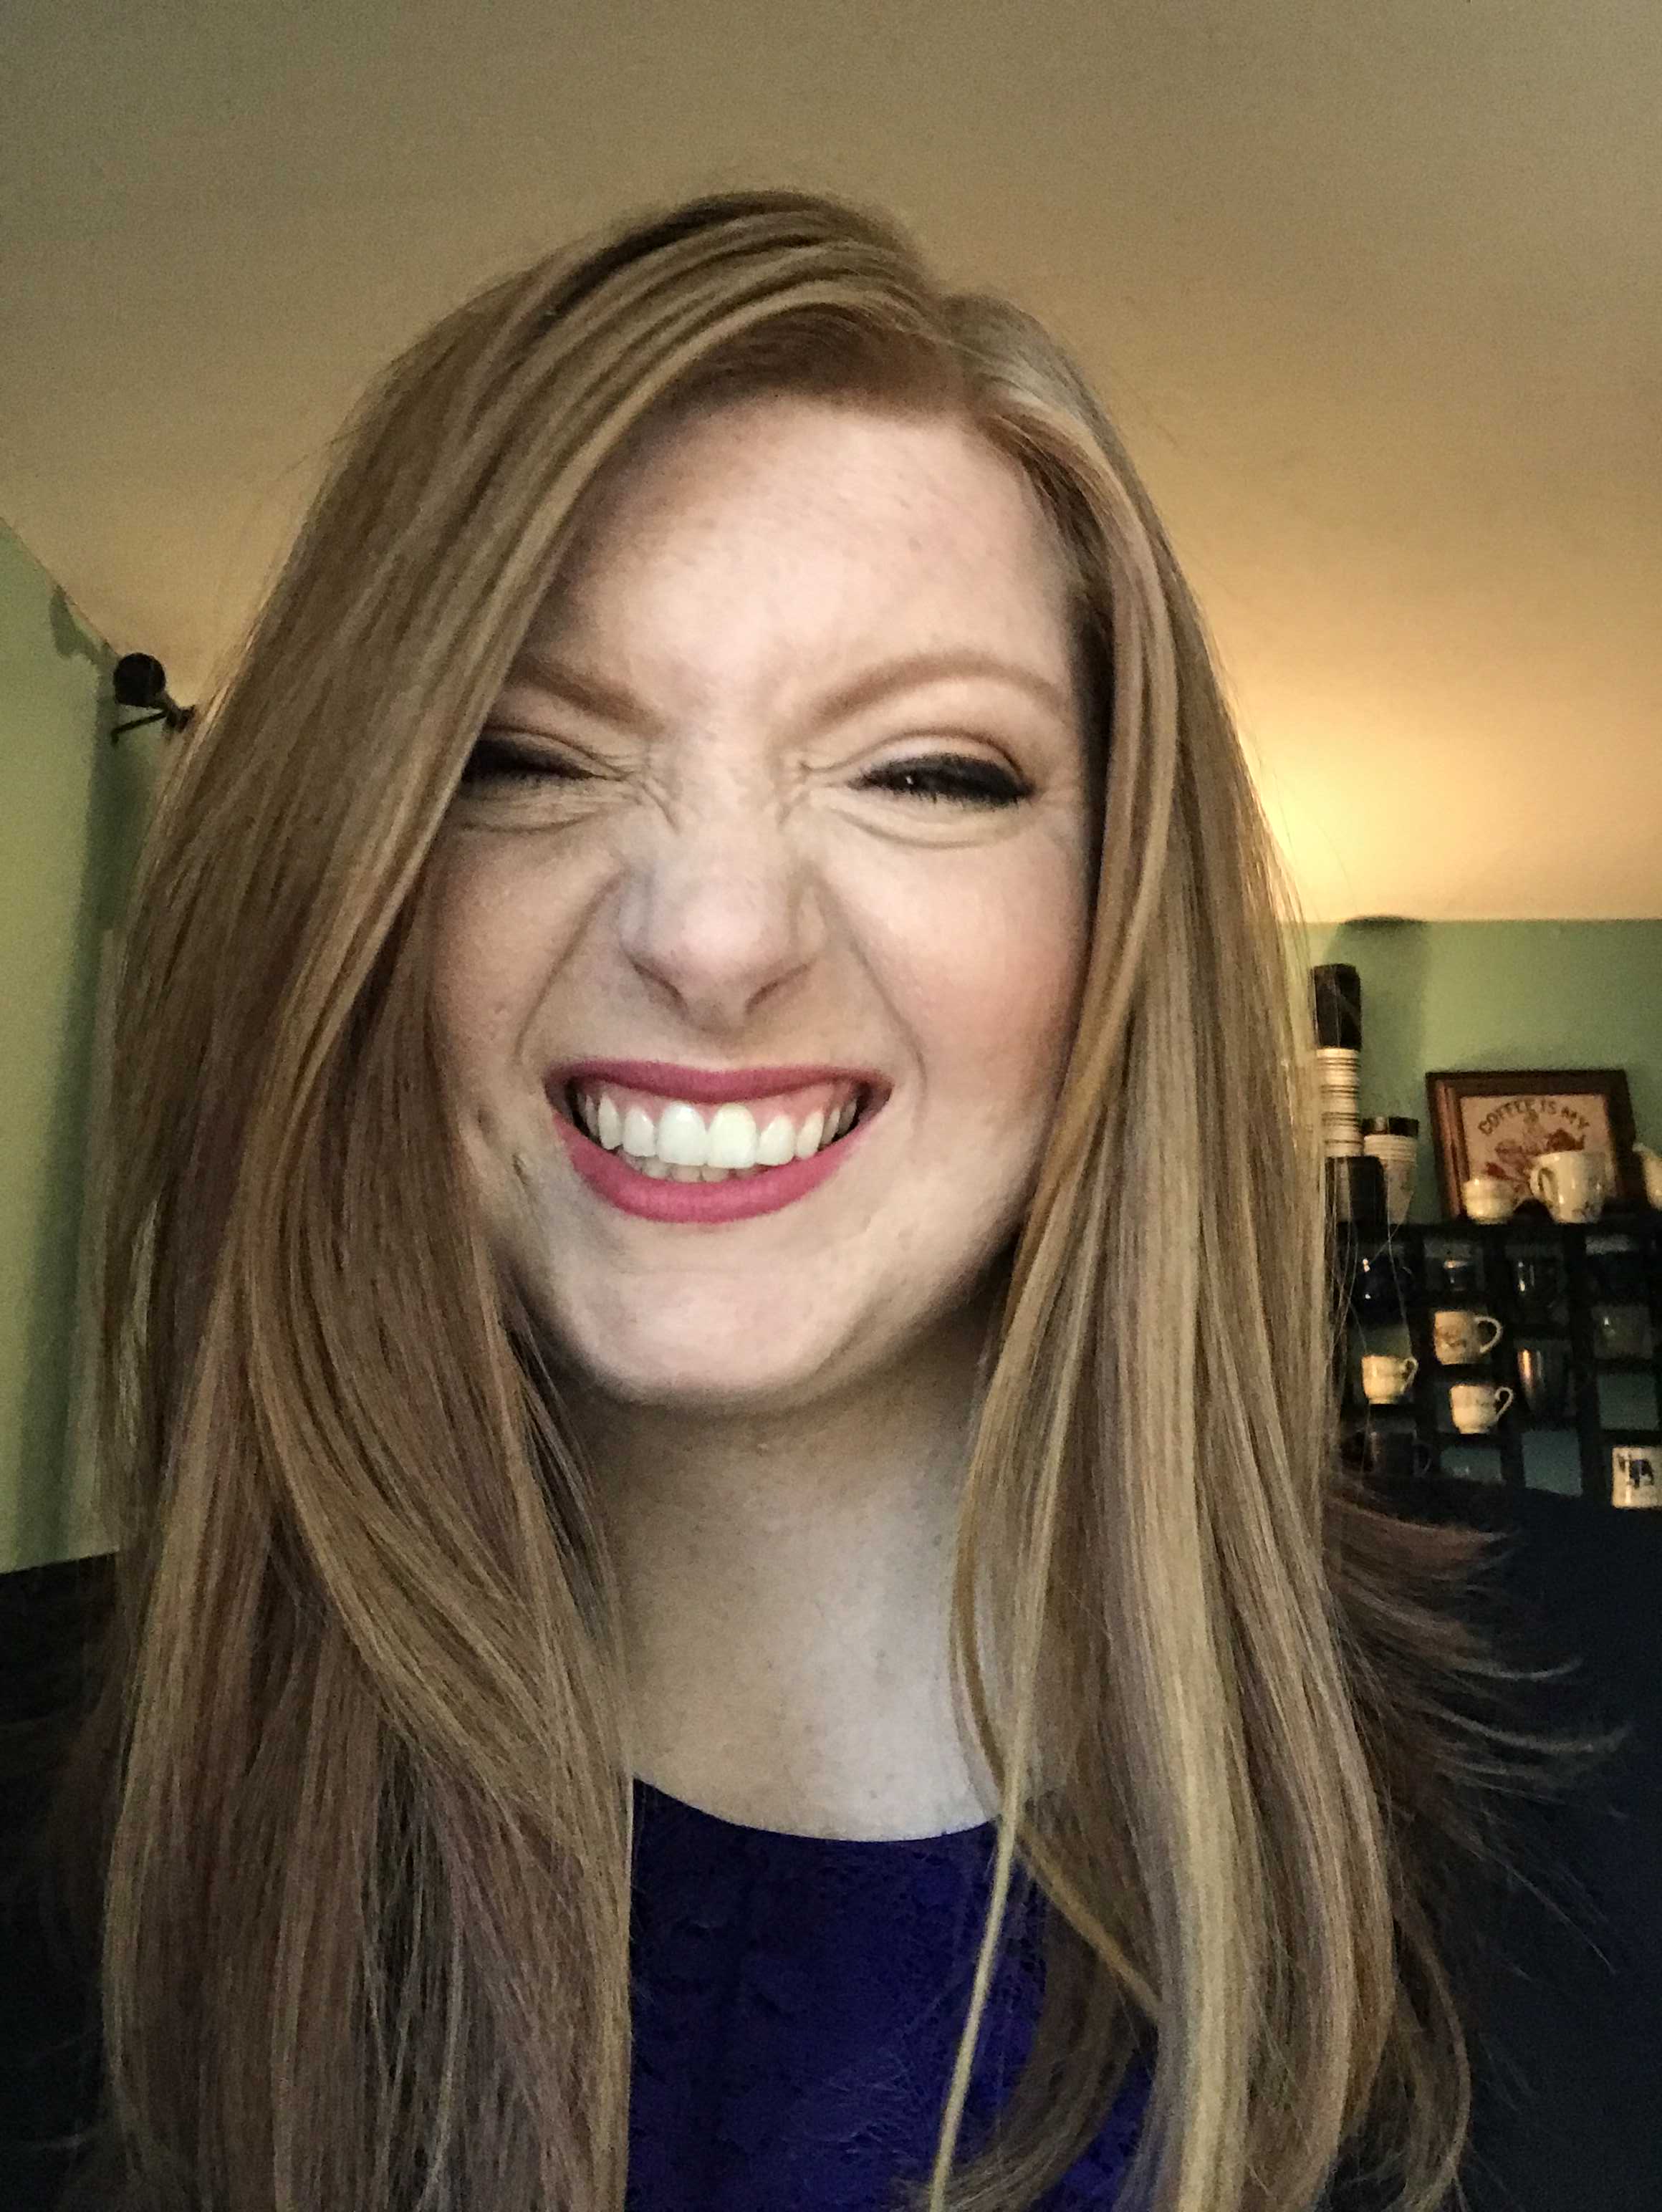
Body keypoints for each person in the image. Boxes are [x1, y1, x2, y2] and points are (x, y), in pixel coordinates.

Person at [1, 187, 1657, 2212]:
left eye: (929, 773)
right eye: (525, 758)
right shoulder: (51, 1801)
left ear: (1115, 922)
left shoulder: (1618, 1710)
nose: (713, 936)